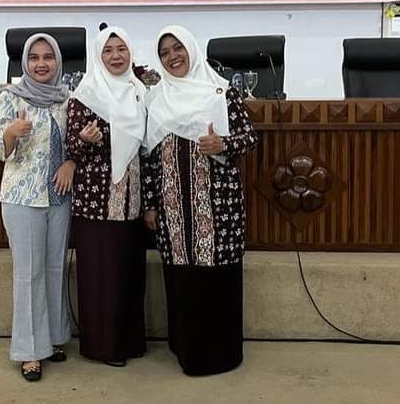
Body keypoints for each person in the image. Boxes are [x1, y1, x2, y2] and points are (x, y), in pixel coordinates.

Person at [142, 26, 258, 376]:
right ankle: (186, 350)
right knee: (182, 276)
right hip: (172, 207)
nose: (172, 57)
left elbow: (249, 137)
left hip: (217, 205)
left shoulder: (219, 92)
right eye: (164, 53)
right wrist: (150, 204)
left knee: (217, 274)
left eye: (178, 48)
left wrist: (223, 144)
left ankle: (221, 354)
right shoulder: (155, 97)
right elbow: (147, 157)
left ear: (191, 49)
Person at [0, 34, 76, 382]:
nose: (41, 63)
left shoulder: (66, 99)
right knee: (29, 274)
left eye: (48, 57)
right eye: (34, 57)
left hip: (59, 196)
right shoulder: (10, 97)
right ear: (24, 62)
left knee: (55, 269)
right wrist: (11, 132)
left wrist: (70, 162)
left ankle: (52, 339)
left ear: (58, 61)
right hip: (22, 197)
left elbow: (76, 144)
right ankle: (29, 352)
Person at [66, 26, 148, 367]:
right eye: (108, 50)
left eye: (121, 49)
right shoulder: (85, 95)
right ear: (98, 57)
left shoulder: (140, 91)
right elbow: (69, 149)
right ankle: (104, 347)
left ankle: (130, 342)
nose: (116, 56)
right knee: (102, 275)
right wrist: (84, 141)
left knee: (128, 273)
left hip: (131, 200)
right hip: (96, 202)